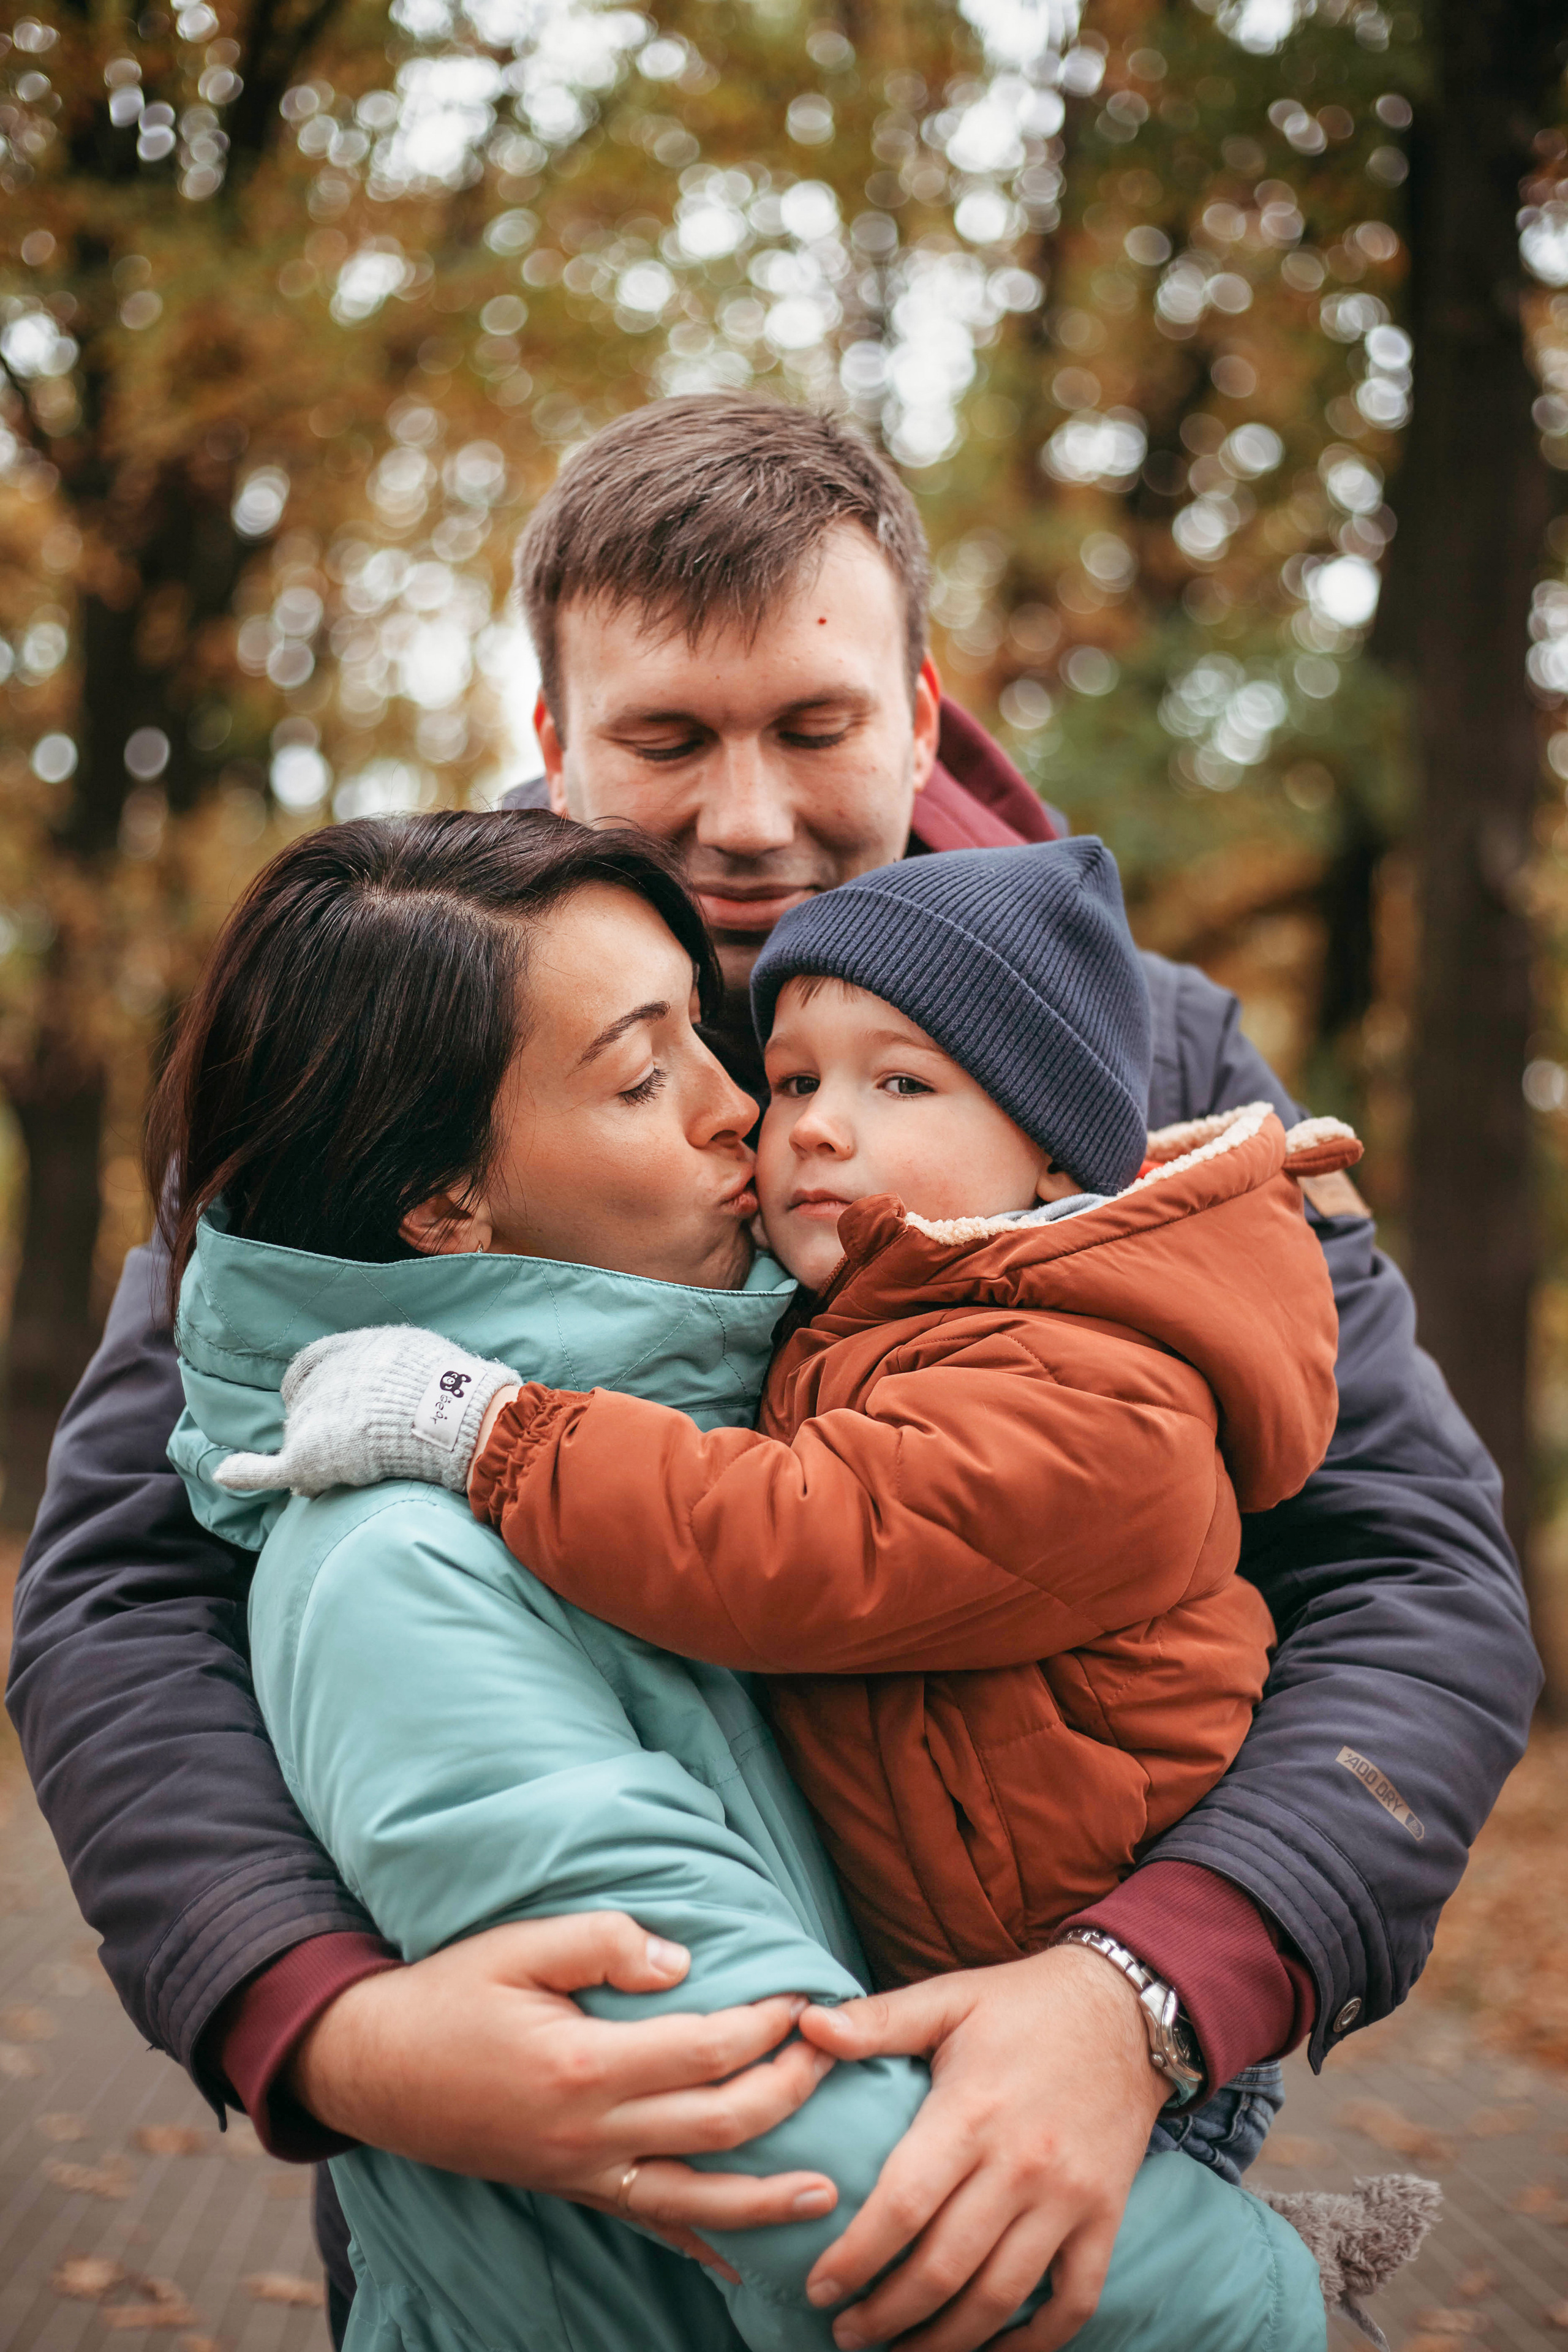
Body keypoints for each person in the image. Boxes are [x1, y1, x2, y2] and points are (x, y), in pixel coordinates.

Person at [6, 393, 1536, 2352]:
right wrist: (326, 2019)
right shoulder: (397, 1043)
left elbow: (1413, 1571)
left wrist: (1146, 1989)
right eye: (665, 738)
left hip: (1053, 2138)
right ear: (557, 743)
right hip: (539, 2207)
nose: (748, 815)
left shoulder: (1142, 1077)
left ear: (917, 708)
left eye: (814, 728)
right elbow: (128, 1584)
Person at [155, 807, 1329, 2352]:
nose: (749, 1122)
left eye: (719, 1050)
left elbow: (1411, 1575)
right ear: (443, 1207)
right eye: (653, 1074)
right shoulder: (399, 1559)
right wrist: (1264, 2290)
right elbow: (799, 2152)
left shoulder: (794, 1380)